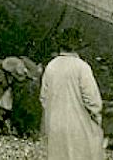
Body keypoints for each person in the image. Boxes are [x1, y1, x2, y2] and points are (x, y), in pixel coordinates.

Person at [40, 27, 103, 160]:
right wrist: (96, 116)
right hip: (78, 125)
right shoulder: (82, 67)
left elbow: (43, 98)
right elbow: (92, 100)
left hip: (55, 124)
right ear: (77, 46)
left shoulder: (51, 66)